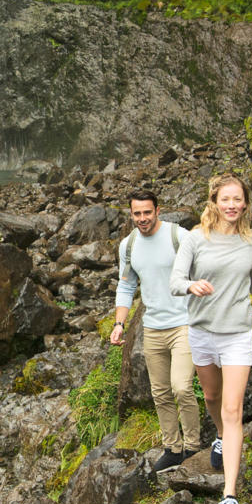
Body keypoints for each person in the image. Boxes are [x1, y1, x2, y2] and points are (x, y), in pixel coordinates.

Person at [169, 174, 252, 504]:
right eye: (225, 199)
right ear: (214, 201)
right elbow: (175, 281)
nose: (231, 205)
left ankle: (228, 494)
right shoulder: (196, 239)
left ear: (245, 204)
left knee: (233, 411)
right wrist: (191, 286)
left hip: (238, 335)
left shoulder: (251, 241)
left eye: (237, 200)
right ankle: (220, 437)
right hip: (201, 333)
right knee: (212, 398)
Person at [110, 190, 195, 472]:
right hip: (153, 328)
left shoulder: (178, 236)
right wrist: (119, 324)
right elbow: (126, 286)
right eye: (137, 214)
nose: (143, 218)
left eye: (147, 212)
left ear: (158, 210)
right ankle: (173, 448)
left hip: (184, 323)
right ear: (131, 214)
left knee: (181, 387)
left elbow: (202, 267)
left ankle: (193, 447)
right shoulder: (129, 245)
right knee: (160, 393)